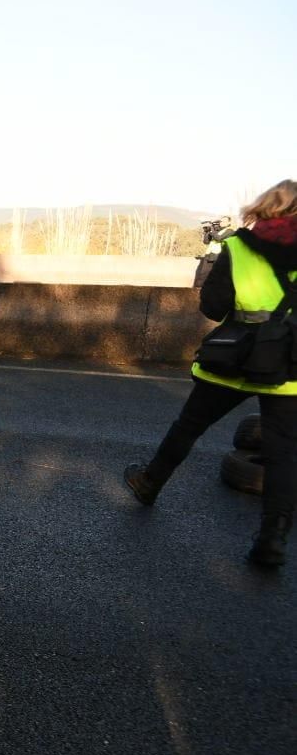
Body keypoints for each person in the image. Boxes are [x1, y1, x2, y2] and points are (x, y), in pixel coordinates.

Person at [125, 179, 297, 567]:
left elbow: (213, 308)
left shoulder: (237, 246)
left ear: (266, 206)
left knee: (189, 426)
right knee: (283, 453)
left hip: (234, 362)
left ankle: (149, 484)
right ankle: (273, 540)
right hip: (289, 368)